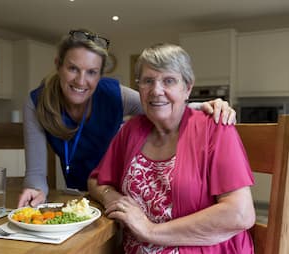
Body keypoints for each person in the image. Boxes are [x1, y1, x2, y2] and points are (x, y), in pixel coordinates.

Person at [18, 29, 237, 208]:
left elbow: (157, 105)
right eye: (73, 68)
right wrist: (35, 192)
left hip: (116, 191)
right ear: (58, 65)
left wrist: (205, 106)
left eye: (92, 72)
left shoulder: (114, 94)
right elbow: (36, 172)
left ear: (101, 74)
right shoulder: (37, 102)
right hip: (81, 196)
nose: (81, 81)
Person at [88, 43, 255, 253]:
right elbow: (96, 180)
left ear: (187, 88)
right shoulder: (131, 130)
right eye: (148, 81)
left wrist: (150, 231)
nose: (156, 90)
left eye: (169, 81)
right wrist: (111, 197)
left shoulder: (214, 128)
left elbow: (240, 213)